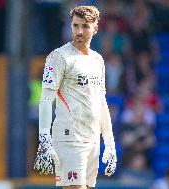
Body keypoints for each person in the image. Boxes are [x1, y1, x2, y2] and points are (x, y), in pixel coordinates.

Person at [34, 5, 117, 189]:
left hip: (92, 138)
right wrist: (44, 138)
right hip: (69, 138)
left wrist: (109, 143)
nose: (79, 31)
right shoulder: (58, 57)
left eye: (85, 26)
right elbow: (46, 99)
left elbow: (101, 101)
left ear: (95, 28)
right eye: (75, 26)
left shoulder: (98, 60)